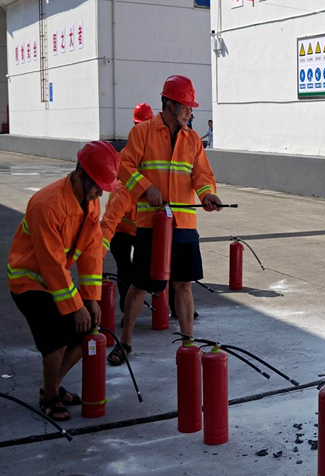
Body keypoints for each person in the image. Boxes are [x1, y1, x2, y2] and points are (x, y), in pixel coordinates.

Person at [110, 75, 222, 365]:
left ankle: (188, 344)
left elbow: (202, 175)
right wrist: (146, 188)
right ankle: (125, 343)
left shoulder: (192, 139)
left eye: (191, 108)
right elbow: (124, 166)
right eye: (185, 106)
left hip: (184, 225)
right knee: (139, 284)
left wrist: (208, 194)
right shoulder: (143, 132)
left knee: (183, 285)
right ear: (169, 104)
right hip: (152, 225)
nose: (189, 112)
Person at [7, 141, 118, 420]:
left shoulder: (90, 203)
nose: (100, 193)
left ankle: (51, 388)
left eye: (103, 188)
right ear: (81, 174)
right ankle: (50, 397)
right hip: (29, 282)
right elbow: (51, 263)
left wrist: (91, 299)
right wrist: (75, 306)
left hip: (56, 282)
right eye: (97, 186)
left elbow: (91, 252)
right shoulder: (47, 204)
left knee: (86, 330)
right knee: (56, 337)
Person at [100, 103, 154, 313]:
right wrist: (98, 253)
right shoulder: (127, 166)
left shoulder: (154, 154)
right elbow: (110, 220)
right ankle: (127, 310)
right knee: (125, 269)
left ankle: (174, 305)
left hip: (143, 227)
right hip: (122, 229)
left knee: (155, 267)